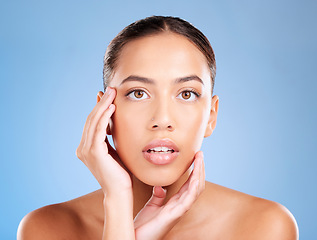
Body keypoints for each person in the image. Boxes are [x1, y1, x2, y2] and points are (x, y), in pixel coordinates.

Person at [17, 16, 298, 239]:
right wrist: (117, 205)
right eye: (138, 93)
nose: (162, 119)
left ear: (211, 116)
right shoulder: (46, 229)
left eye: (186, 93)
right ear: (104, 114)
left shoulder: (265, 226)